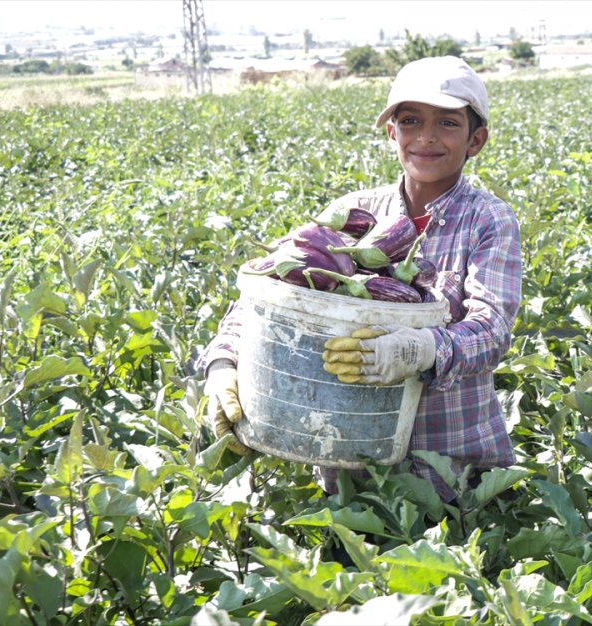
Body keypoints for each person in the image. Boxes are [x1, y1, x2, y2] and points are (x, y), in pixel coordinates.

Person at [199, 56, 522, 503]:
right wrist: (222, 366)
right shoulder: (354, 214)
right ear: (392, 133)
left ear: (476, 140)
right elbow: (267, 294)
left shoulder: (489, 219)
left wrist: (419, 349)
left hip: (455, 476)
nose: (426, 136)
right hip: (349, 477)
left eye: (448, 123)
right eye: (410, 121)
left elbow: (492, 331)